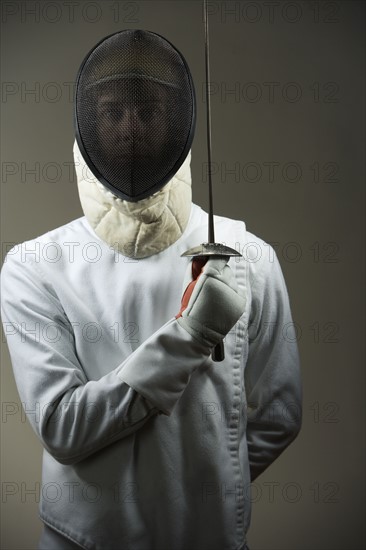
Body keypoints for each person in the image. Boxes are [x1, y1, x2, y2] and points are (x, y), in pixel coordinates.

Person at [0, 30, 302, 550]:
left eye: (149, 111)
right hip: (81, 541)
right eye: (113, 112)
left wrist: (204, 494)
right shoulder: (34, 266)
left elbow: (281, 413)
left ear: (178, 122)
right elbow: (62, 427)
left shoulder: (245, 254)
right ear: (88, 124)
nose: (131, 128)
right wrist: (190, 336)